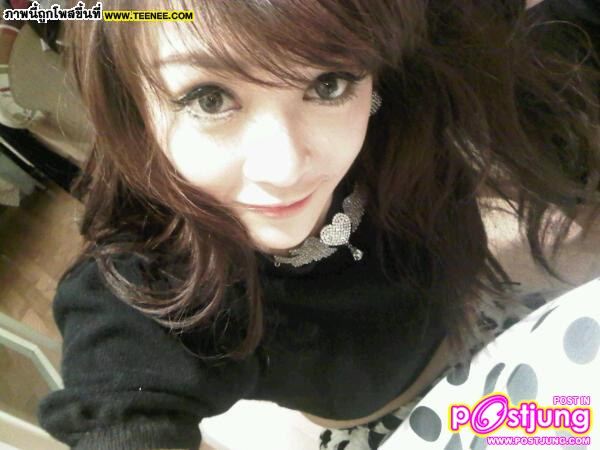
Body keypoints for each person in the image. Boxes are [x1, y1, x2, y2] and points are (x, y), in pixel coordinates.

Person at [37, 0, 600, 449]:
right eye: (209, 99)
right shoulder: (146, 288)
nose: (285, 169)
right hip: (382, 417)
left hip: (479, 312)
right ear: (132, 104)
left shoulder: (400, 75)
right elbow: (119, 409)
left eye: (328, 84)